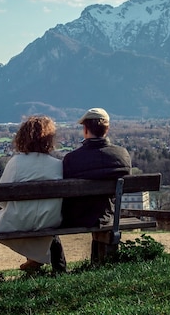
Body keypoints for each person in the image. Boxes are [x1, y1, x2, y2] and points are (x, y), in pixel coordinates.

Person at [0, 115, 62, 272]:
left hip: (21, 221)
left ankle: (35, 259)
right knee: (35, 220)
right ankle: (37, 259)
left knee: (8, 218)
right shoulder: (57, 165)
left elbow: (2, 199)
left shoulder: (16, 163)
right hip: (50, 220)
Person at [50, 107, 132, 270]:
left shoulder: (72, 159)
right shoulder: (122, 156)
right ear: (107, 129)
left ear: (85, 130)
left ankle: (59, 270)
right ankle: (99, 265)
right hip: (107, 216)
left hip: (75, 218)